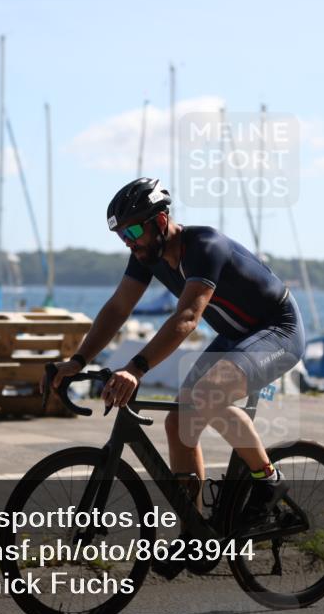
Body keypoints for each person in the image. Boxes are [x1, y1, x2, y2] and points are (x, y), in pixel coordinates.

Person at [46, 178, 306, 577]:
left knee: (206, 399)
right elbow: (118, 308)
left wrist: (136, 368)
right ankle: (195, 533)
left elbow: (187, 318)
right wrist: (78, 360)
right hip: (239, 335)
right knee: (179, 421)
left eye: (132, 230)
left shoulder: (205, 247)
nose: (128, 241)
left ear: (161, 219)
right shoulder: (146, 254)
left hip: (278, 330)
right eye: (121, 234)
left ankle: (269, 480)